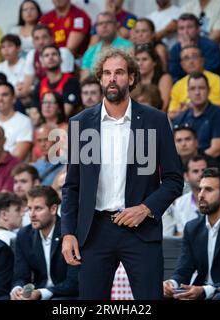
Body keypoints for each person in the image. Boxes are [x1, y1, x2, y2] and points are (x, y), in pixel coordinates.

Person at [61, 48, 183, 299]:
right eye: (106, 73)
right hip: (94, 231)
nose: (112, 78)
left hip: (140, 231)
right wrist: (68, 233)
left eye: (119, 72)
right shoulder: (80, 123)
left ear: (132, 78)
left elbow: (173, 180)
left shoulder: (155, 120)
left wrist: (145, 208)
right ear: (100, 79)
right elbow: (72, 186)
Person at [163, 168, 220, 300]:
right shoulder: (192, 228)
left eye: (208, 190)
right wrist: (171, 284)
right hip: (199, 291)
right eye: (200, 189)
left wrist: (206, 290)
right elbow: (183, 270)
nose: (201, 195)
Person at [11, 186, 78, 300]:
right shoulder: (24, 235)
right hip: (38, 293)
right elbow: (20, 275)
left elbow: (75, 282)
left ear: (53, 209)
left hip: (68, 295)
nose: (32, 214)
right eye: (29, 208)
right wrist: (17, 289)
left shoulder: (70, 234)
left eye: (38, 208)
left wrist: (41, 293)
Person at [173, 72, 220, 163]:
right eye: (192, 89)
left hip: (210, 168)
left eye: (201, 88)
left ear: (209, 90)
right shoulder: (180, 118)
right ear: (188, 92)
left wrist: (193, 164)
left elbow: (216, 150)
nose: (197, 92)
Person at [168, 45, 220, 118]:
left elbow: (219, 108)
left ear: (202, 60)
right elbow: (171, 114)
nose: (191, 61)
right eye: (186, 58)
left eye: (194, 57)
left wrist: (186, 108)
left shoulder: (215, 80)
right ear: (182, 64)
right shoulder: (177, 85)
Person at [20, 24, 75, 101]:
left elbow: (64, 82)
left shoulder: (63, 52)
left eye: (44, 37)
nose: (41, 42)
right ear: (33, 42)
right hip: (42, 93)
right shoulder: (31, 54)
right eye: (37, 39)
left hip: (64, 94)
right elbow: (26, 87)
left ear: (52, 39)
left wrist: (34, 89)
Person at [168, 14, 220, 82]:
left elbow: (208, 72)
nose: (185, 32)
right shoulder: (175, 49)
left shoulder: (210, 47)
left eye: (189, 27)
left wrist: (188, 50)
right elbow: (173, 74)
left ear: (198, 29)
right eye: (181, 28)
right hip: (182, 86)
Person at [31, 45, 81, 117]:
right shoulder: (40, 85)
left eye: (54, 54)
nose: (50, 57)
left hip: (72, 124)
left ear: (61, 59)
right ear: (41, 62)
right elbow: (33, 113)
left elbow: (67, 111)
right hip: (47, 123)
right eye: (46, 55)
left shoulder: (71, 81)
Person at [81, 12, 133, 80]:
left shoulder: (128, 46)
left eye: (108, 22)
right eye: (100, 24)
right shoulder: (90, 52)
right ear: (96, 28)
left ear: (116, 25)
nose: (104, 26)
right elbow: (85, 79)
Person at [164, 155, 207, 236]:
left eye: (204, 170)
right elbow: (181, 236)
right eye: (195, 171)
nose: (201, 174)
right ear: (186, 176)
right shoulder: (180, 203)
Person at [135, 45, 172, 111]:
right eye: (137, 60)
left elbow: (164, 106)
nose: (140, 63)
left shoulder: (164, 77)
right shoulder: (133, 78)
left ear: (154, 62)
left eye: (145, 59)